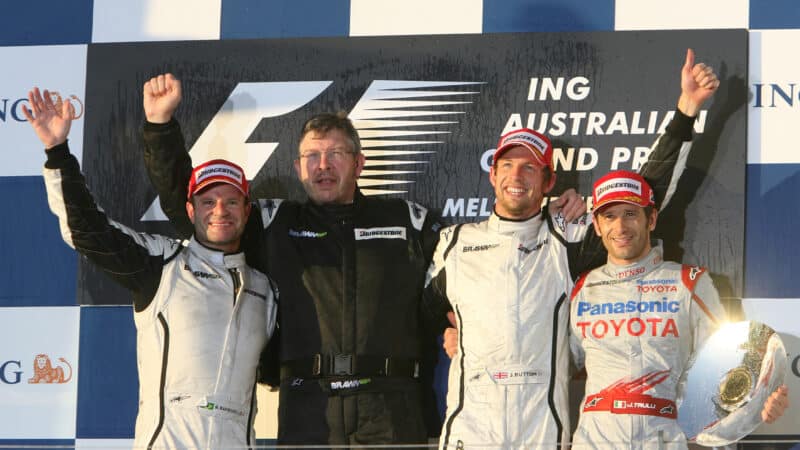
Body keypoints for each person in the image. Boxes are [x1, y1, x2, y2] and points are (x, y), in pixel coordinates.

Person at [424, 49, 719, 449]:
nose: (517, 175)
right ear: (492, 173)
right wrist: (451, 326)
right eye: (508, 165)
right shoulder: (454, 243)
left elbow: (640, 192)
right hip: (469, 432)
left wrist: (685, 111)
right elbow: (418, 314)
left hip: (543, 431)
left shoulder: (568, 240)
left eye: (530, 167)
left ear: (548, 181)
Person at [141, 75, 442, 445]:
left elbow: (460, 280)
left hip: (392, 411)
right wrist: (160, 128)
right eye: (312, 157)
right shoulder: (275, 223)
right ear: (299, 168)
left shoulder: (407, 220)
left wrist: (456, 321)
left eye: (335, 155)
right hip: (308, 410)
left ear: (359, 163)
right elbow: (195, 209)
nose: (323, 166)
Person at [23, 87, 277, 450]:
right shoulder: (163, 265)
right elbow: (88, 232)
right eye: (207, 201)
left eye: (231, 201)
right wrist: (57, 152)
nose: (219, 210)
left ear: (246, 210)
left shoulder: (266, 291)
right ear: (190, 211)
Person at [568, 170, 789, 449]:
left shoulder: (688, 282)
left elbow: (728, 371)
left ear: (652, 219)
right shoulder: (582, 289)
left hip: (666, 439)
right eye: (609, 216)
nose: (620, 227)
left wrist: (760, 403)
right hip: (596, 440)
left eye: (631, 214)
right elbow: (556, 368)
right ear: (597, 225)